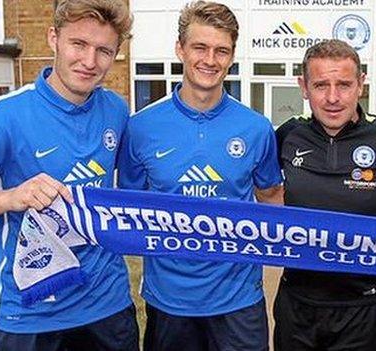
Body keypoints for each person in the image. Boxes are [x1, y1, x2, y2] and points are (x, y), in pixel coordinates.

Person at [0, 1, 137, 350]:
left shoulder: (116, 110)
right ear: (53, 38)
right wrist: (9, 197)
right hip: (30, 315)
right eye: (79, 44)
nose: (90, 61)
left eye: (104, 50)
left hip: (109, 307)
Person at [117, 1, 283, 350]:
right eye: (200, 47)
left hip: (239, 301)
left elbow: (272, 200)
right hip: (169, 302)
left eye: (221, 50)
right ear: (180, 49)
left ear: (232, 56)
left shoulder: (256, 129)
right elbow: (130, 209)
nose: (210, 60)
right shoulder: (142, 127)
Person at [274, 39, 376, 351]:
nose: (333, 98)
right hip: (296, 304)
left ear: (361, 84)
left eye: (344, 84)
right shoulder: (286, 135)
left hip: (366, 307)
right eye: (321, 85)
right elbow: (262, 189)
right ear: (303, 86)